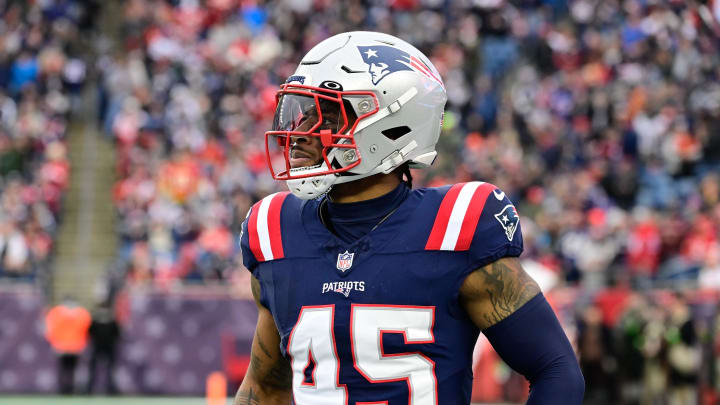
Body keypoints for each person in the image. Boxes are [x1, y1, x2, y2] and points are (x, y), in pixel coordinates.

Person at [235, 31, 584, 405]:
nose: (300, 133)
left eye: (326, 114)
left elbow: (556, 369)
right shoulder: (275, 230)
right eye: (303, 113)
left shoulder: (456, 226)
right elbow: (265, 389)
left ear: (388, 125)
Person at [44, 296, 91, 394]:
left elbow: (49, 329)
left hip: (66, 345)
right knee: (69, 369)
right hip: (72, 345)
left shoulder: (56, 312)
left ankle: (66, 389)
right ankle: (68, 389)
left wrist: (53, 343)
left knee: (66, 369)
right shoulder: (81, 313)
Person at [86, 302, 121, 394]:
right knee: (93, 369)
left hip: (108, 348)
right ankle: (89, 389)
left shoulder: (112, 321)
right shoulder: (95, 321)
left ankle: (111, 389)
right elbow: (89, 332)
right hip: (98, 347)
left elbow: (117, 334)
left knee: (111, 370)